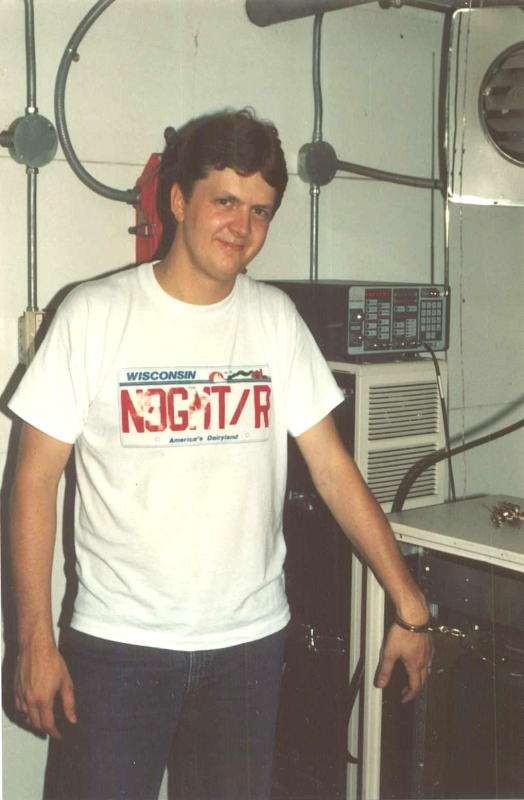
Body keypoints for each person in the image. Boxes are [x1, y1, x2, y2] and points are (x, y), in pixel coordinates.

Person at [9, 108, 432, 800]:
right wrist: (32, 641)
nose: (242, 226)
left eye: (260, 211)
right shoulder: (93, 314)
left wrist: (410, 603)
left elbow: (333, 471)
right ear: (178, 201)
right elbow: (33, 479)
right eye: (226, 202)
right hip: (118, 648)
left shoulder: (274, 320)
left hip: (247, 650)